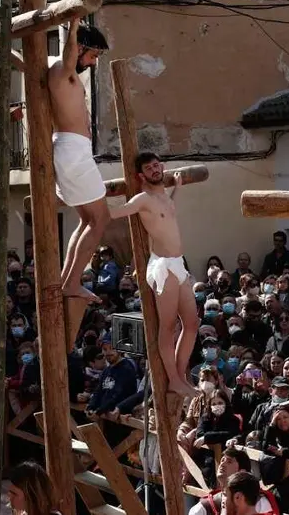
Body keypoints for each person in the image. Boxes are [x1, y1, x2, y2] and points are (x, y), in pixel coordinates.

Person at [108, 152, 200, 397]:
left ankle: (180, 376)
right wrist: (89, 202)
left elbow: (167, 213)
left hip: (178, 264)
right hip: (161, 266)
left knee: (191, 323)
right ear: (141, 175)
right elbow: (116, 213)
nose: (155, 170)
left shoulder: (165, 198)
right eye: (149, 168)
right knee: (168, 326)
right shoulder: (143, 198)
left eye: (157, 166)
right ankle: (173, 379)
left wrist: (177, 189)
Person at [48, 18, 111, 302]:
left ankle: (67, 280)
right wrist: (73, 25)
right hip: (72, 150)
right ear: (80, 49)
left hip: (74, 149)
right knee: (100, 219)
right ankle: (71, 282)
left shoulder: (63, 74)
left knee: (88, 219)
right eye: (93, 55)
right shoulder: (64, 71)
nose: (95, 62)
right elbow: (68, 53)